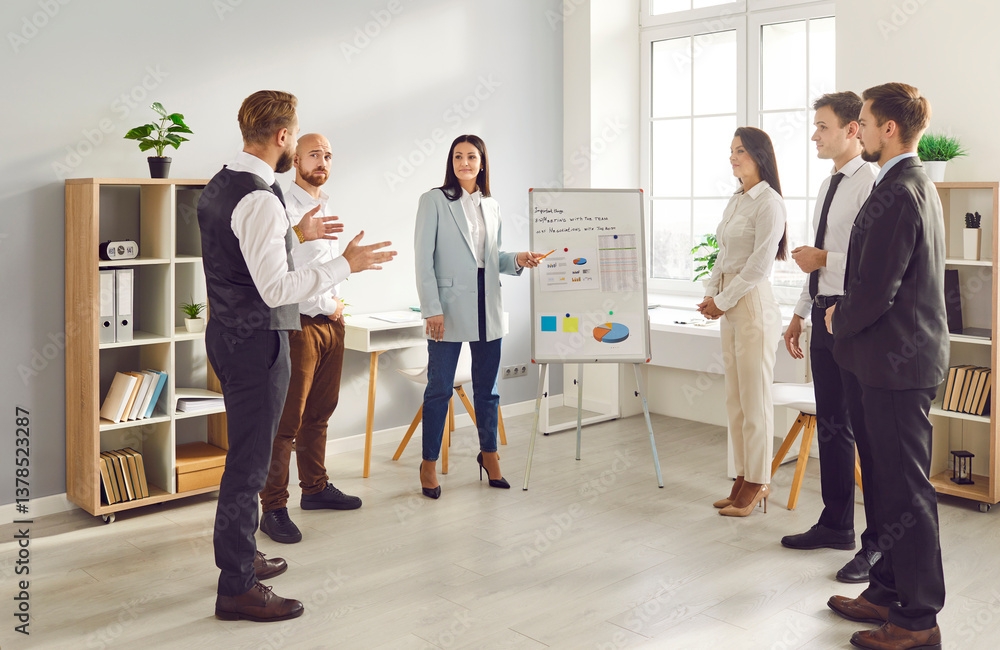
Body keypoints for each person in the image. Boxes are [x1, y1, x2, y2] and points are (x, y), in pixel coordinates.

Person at [199, 90, 396, 622]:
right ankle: (236, 587)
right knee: (248, 466)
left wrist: (294, 232)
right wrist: (345, 265)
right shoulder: (262, 196)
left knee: (245, 457)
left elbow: (244, 255)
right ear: (284, 137)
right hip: (260, 341)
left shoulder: (219, 185)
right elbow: (276, 288)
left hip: (226, 334)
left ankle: (242, 558)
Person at [825, 82, 947, 650]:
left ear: (887, 129)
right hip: (881, 364)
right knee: (882, 483)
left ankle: (918, 620)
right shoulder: (904, 182)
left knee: (907, 493)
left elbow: (878, 288)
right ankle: (886, 589)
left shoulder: (901, 188)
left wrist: (835, 320)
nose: (859, 131)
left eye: (865, 122)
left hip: (899, 365)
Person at [780, 92, 882, 584]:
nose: (815, 135)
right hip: (821, 314)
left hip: (855, 320)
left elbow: (872, 265)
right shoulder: (828, 186)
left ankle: (875, 548)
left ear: (852, 131)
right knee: (834, 425)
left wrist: (823, 262)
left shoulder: (872, 185)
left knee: (866, 431)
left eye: (822, 126)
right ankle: (835, 524)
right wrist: (799, 313)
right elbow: (819, 255)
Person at [413, 134, 539, 498]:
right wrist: (431, 309)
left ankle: (489, 454)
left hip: (489, 307)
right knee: (439, 390)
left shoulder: (491, 205)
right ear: (451, 163)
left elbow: (491, 259)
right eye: (458, 157)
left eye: (471, 157)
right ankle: (428, 464)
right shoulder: (433, 200)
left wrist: (517, 258)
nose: (464, 163)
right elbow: (423, 260)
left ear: (482, 162)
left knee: (488, 390)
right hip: (447, 311)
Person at [258, 133, 362, 546]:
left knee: (320, 413)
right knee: (287, 422)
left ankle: (315, 488)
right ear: (295, 158)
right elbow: (281, 269)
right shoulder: (279, 206)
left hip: (330, 323)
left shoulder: (326, 204)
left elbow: (325, 266)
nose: (322, 161)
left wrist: (336, 301)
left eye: (328, 155)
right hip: (297, 324)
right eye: (314, 154)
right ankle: (274, 508)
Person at [697, 126, 787, 518]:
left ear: (759, 156)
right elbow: (723, 256)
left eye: (741, 151)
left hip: (752, 306)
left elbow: (758, 266)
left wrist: (723, 299)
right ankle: (742, 476)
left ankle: (759, 479)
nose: (733, 158)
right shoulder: (737, 200)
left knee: (755, 400)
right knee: (734, 399)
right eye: (731, 151)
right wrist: (710, 294)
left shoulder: (769, 203)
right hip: (729, 304)